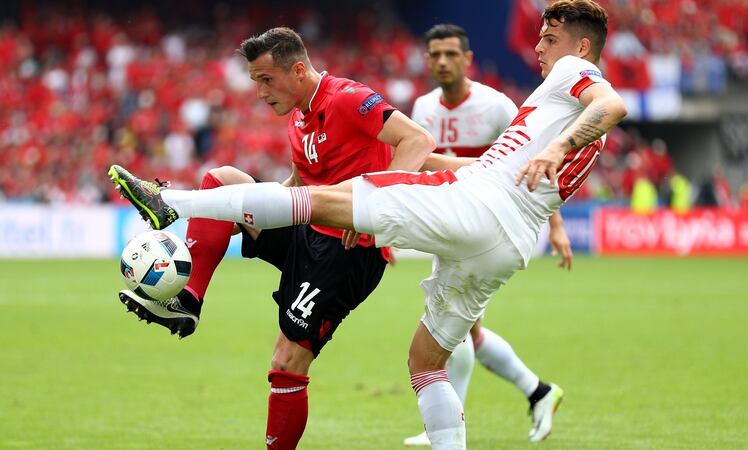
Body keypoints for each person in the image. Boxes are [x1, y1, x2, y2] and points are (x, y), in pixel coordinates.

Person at [110, 1, 627, 448]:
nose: (539, 47)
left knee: (318, 209)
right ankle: (188, 288)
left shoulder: (570, 78)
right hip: (506, 240)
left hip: (464, 213)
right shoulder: (545, 106)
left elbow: (611, 104)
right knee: (426, 362)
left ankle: (170, 203)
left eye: (550, 38)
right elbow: (482, 166)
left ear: (581, 48)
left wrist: (560, 146)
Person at [114, 27, 435, 450]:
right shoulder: (299, 119)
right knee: (220, 180)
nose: (260, 92)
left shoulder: (348, 97)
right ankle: (188, 301)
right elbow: (296, 188)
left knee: (287, 361)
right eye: (254, 82)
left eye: (266, 80)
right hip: (309, 231)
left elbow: (417, 141)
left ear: (298, 70)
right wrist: (239, 209)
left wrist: (373, 201)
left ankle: (171, 204)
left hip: (348, 252)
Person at [404, 23, 573, 446]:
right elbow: (414, 163)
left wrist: (555, 225)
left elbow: (537, 163)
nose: (442, 62)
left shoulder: (496, 106)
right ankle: (538, 391)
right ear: (427, 60)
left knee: (451, 326)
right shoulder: (423, 108)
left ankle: (443, 425)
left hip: (490, 224)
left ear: (467, 59)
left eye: (450, 54)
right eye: (435, 55)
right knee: (466, 330)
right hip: (448, 221)